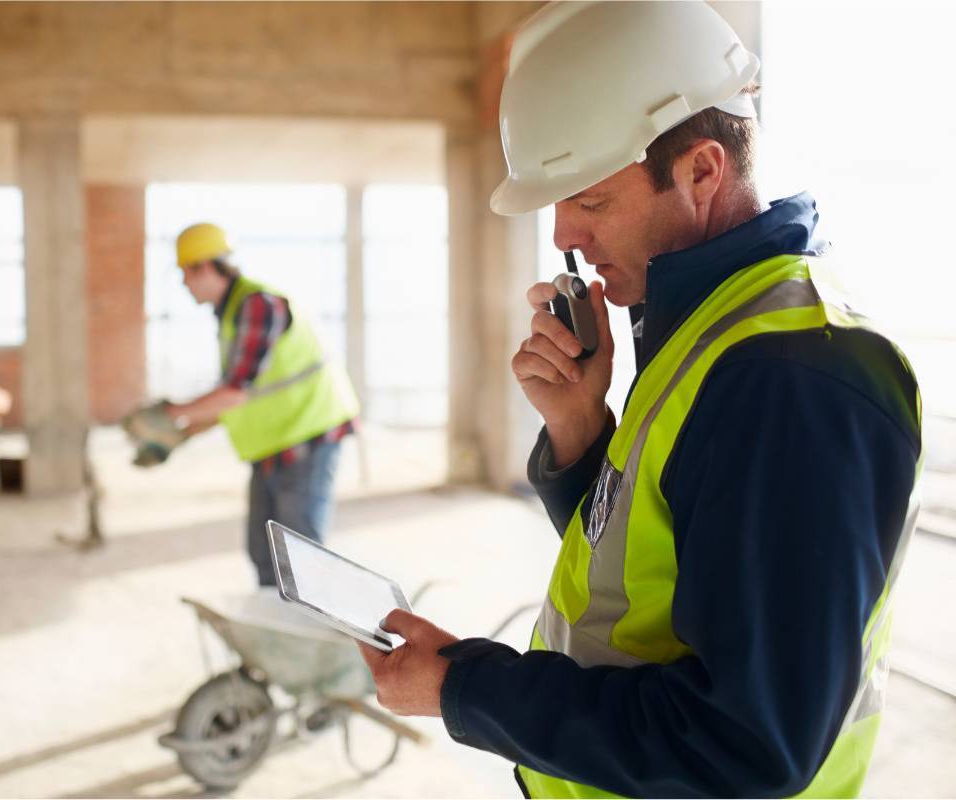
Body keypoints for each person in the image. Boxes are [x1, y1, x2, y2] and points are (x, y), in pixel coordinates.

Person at [359, 3, 921, 797]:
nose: (562, 235)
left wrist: (464, 690)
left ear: (701, 171)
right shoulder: (713, 333)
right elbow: (655, 580)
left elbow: (744, 744)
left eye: (588, 202)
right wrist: (583, 430)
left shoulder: (788, 379)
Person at [164, 223, 360, 587]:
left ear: (203, 267)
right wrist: (185, 431)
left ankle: (311, 638)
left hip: (307, 436)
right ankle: (279, 634)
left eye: (184, 273)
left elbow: (236, 391)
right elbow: (245, 396)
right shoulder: (232, 312)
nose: (184, 284)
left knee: (302, 560)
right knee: (264, 553)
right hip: (273, 443)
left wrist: (168, 414)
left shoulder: (258, 305)